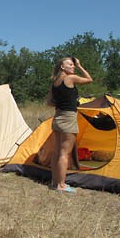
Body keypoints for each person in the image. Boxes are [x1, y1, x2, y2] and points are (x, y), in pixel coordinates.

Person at [49, 57, 93, 193]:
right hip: (68, 118)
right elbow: (89, 79)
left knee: (57, 153)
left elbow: (50, 102)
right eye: (70, 64)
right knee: (64, 154)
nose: (73, 66)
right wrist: (80, 66)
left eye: (74, 65)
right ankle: (61, 185)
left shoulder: (55, 82)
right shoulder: (70, 79)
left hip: (57, 117)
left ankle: (54, 182)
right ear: (62, 67)